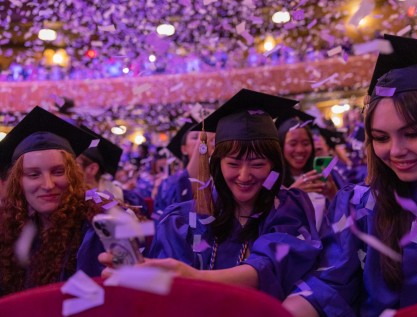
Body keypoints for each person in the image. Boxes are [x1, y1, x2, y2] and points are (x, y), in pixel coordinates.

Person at [283, 35, 417, 317]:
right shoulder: (361, 205)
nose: (396, 151)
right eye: (381, 138)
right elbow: (329, 286)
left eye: (412, 134)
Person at [100, 89, 321, 301]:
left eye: (257, 164)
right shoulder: (181, 220)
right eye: (233, 164)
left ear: (274, 166)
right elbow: (166, 288)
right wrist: (142, 277)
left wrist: (194, 278)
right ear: (217, 164)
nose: (244, 176)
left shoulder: (288, 208)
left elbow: (274, 265)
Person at [0, 107, 107, 295]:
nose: (48, 185)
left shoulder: (96, 226)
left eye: (58, 172)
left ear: (73, 175)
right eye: (33, 175)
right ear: (19, 183)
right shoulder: (9, 228)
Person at [276, 108, 338, 232]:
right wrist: (292, 195)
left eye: (305, 143)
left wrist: (333, 194)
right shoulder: (272, 182)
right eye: (293, 144)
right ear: (281, 146)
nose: (300, 150)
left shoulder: (322, 174)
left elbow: (341, 218)